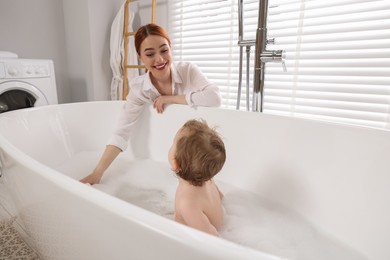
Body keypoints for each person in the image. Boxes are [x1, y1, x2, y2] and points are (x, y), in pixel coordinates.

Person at [80, 23, 221, 185]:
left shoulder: (187, 71)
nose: (159, 59)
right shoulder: (140, 88)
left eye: (164, 50)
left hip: (195, 156)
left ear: (170, 48)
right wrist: (97, 173)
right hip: (168, 160)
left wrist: (171, 99)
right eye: (150, 54)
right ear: (140, 57)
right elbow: (121, 132)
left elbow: (214, 98)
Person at [168, 119, 226, 236]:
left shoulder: (187, 203)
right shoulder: (207, 179)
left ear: (176, 163)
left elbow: (212, 236)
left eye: (172, 144)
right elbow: (221, 197)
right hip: (221, 223)